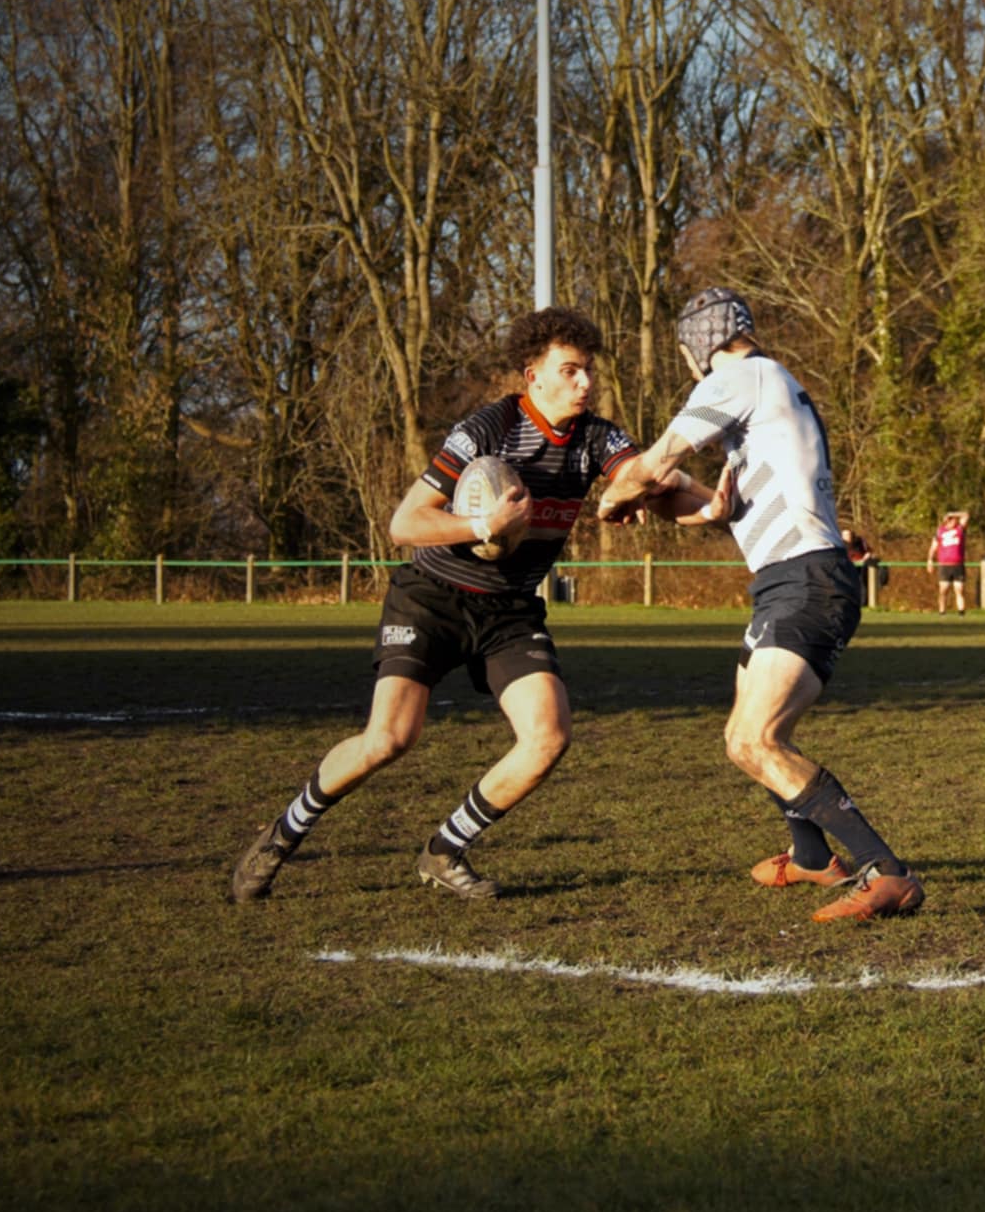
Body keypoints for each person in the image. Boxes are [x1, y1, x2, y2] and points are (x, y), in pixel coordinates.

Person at [231, 306, 670, 903]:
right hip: (432, 598)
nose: (585, 382)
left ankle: (444, 850)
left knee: (547, 737)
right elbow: (405, 523)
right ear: (533, 376)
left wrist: (693, 502)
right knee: (389, 739)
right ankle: (282, 835)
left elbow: (643, 475)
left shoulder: (596, 436)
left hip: (509, 609)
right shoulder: (488, 428)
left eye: (588, 370)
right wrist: (483, 525)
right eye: (570, 370)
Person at [598, 287, 925, 921]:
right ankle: (811, 856)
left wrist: (615, 497)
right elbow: (708, 499)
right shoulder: (769, 389)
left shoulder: (738, 378)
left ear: (697, 347)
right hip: (789, 579)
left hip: (805, 582)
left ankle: (889, 873)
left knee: (755, 740)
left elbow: (657, 462)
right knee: (743, 737)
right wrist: (690, 504)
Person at [929, 510, 970, 615]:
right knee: (943, 590)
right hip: (944, 566)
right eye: (950, 520)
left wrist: (952, 514)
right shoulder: (940, 531)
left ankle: (961, 612)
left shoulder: (959, 530)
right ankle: (942, 611)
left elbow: (966, 515)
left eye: (954, 520)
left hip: (958, 565)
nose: (953, 521)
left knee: (959, 589)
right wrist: (930, 560)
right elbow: (933, 547)